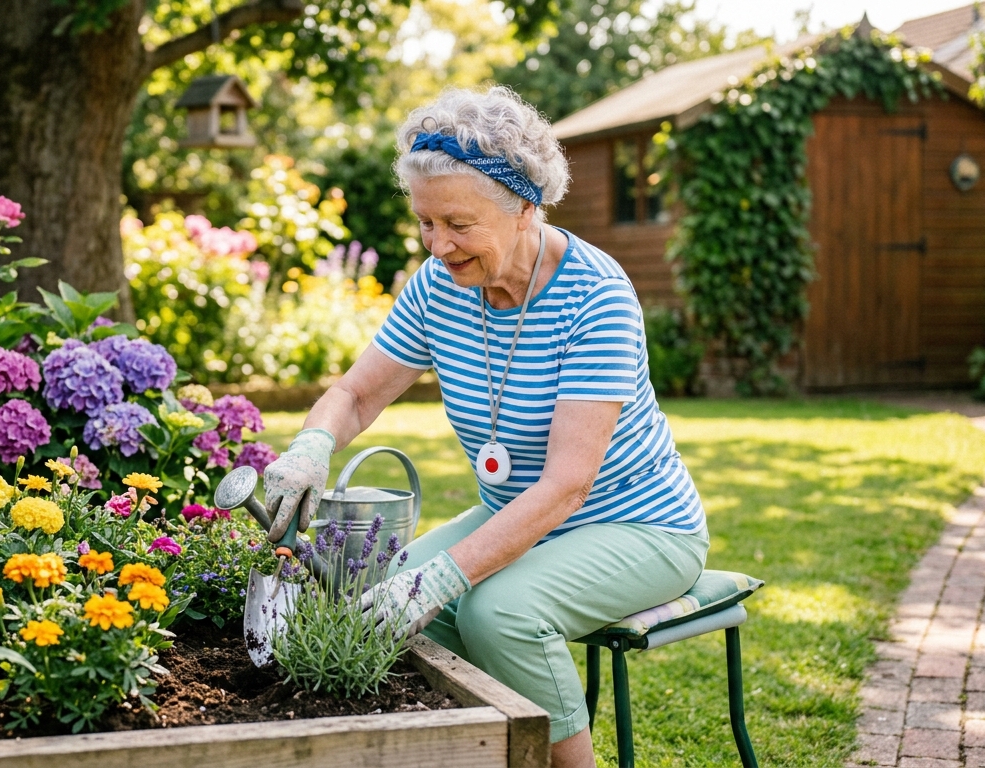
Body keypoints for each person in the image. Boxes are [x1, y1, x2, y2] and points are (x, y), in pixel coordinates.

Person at [261, 86, 708, 768]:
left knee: (498, 613)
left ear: (525, 205)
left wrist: (444, 580)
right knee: (381, 589)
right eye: (425, 224)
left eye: (458, 225)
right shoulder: (440, 286)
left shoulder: (597, 295)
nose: (438, 245)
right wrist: (311, 445)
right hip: (518, 515)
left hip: (639, 528)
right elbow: (354, 394)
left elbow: (566, 487)